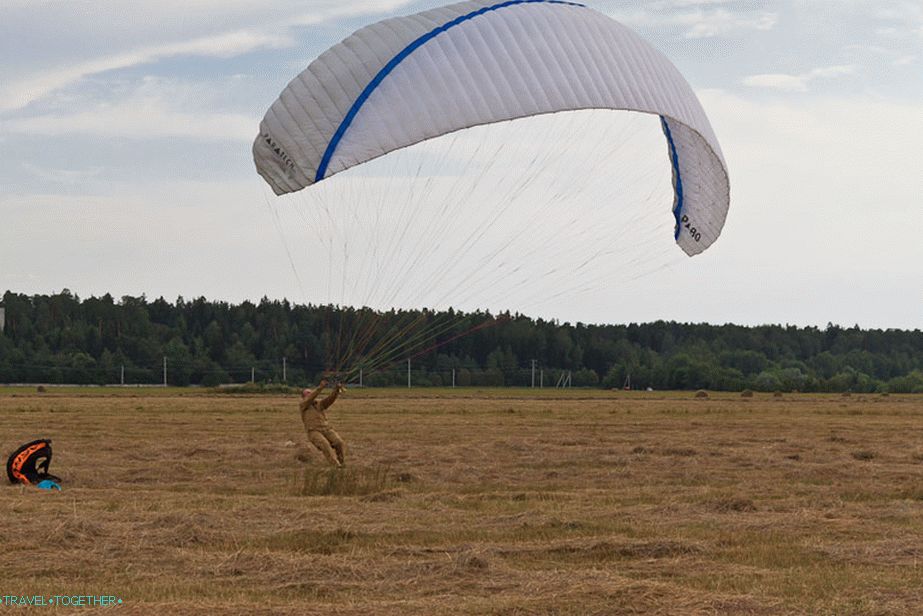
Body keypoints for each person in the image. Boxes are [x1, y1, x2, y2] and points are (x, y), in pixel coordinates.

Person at [299, 378, 346, 467]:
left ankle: (341, 462)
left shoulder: (319, 404)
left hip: (326, 429)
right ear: (303, 396)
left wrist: (336, 390)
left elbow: (329, 400)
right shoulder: (303, 405)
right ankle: (336, 465)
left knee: (339, 443)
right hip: (313, 431)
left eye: (311, 392)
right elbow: (310, 398)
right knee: (325, 445)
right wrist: (320, 387)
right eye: (308, 393)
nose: (311, 394)